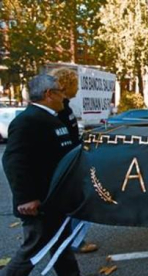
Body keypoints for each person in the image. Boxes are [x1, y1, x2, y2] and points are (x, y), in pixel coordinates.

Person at [1, 74, 80, 276]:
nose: (64, 97)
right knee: (31, 253)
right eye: (60, 92)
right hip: (39, 205)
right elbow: (14, 161)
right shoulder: (28, 121)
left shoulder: (51, 118)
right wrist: (26, 197)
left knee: (62, 249)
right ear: (48, 94)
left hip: (56, 200)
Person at [49, 68, 98, 253]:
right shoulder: (59, 109)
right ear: (66, 84)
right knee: (80, 202)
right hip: (68, 163)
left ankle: (72, 240)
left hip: (73, 160)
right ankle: (76, 241)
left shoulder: (65, 106)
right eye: (75, 83)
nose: (78, 88)